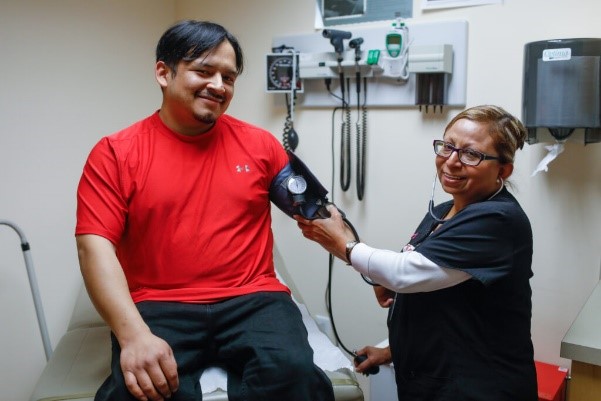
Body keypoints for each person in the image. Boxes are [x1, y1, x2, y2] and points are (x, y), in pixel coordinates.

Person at [75, 20, 334, 401]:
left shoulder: (260, 146)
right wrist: (133, 336)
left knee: (293, 374)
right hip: (159, 302)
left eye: (228, 77)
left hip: (253, 297)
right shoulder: (116, 153)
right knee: (147, 390)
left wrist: (367, 263)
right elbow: (93, 247)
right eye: (203, 70)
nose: (218, 85)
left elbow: (316, 211)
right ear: (164, 72)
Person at [295, 105, 538, 401]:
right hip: (430, 378)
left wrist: (343, 246)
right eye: (447, 146)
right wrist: (391, 351)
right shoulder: (443, 211)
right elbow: (436, 287)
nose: (451, 161)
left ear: (503, 170)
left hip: (479, 386)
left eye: (470, 154)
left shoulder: (498, 220)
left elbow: (404, 273)